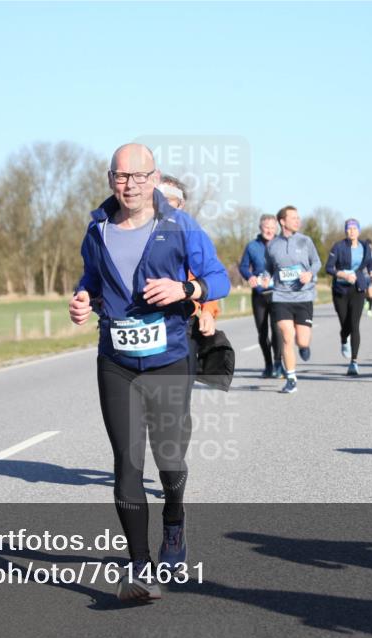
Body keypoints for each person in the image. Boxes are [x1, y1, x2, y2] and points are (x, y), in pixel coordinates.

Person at [68, 144, 229, 602]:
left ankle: (174, 521)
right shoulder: (97, 229)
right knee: (127, 461)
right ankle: (140, 569)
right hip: (116, 361)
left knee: (170, 458)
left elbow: (219, 279)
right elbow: (91, 281)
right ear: (109, 179)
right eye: (122, 177)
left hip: (170, 359)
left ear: (154, 177)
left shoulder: (179, 226)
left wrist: (186, 287)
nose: (131, 185)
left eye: (140, 176)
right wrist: (83, 299)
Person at [157, 176, 220, 364]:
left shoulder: (192, 236)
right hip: (142, 323)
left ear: (180, 204)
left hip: (183, 321)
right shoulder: (133, 232)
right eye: (158, 197)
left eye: (169, 198)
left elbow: (209, 277)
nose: (163, 203)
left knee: (178, 390)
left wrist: (208, 311)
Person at [265, 205, 321, 394]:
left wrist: (309, 274)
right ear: (282, 221)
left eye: (298, 217)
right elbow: (268, 267)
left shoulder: (305, 241)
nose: (298, 220)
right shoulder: (272, 245)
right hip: (281, 297)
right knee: (287, 337)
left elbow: (317, 262)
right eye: (293, 218)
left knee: (302, 340)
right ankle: (291, 378)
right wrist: (264, 277)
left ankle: (304, 348)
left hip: (304, 296)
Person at [324, 219, 372, 376]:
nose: (351, 231)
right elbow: (329, 268)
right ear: (345, 231)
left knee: (354, 324)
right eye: (349, 229)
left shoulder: (364, 246)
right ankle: (343, 338)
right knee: (345, 323)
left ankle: (354, 362)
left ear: (358, 231)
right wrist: (343, 275)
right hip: (340, 290)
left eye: (354, 228)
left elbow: (369, 263)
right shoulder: (338, 247)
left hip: (358, 288)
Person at [238, 214, 282, 378]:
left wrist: (275, 277)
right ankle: (268, 365)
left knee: (277, 331)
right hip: (259, 296)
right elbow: (243, 267)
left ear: (276, 228)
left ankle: (279, 364)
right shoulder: (252, 246)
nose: (269, 230)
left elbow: (288, 266)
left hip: (278, 294)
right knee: (262, 333)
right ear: (260, 228)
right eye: (266, 227)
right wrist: (249, 277)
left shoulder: (282, 244)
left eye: (272, 227)